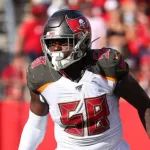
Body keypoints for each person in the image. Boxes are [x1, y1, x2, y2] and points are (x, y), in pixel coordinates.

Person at [18, 9, 150, 150]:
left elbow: (144, 105)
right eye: (51, 43)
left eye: (63, 42)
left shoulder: (106, 66)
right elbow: (35, 126)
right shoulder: (41, 75)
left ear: (82, 41)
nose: (55, 49)